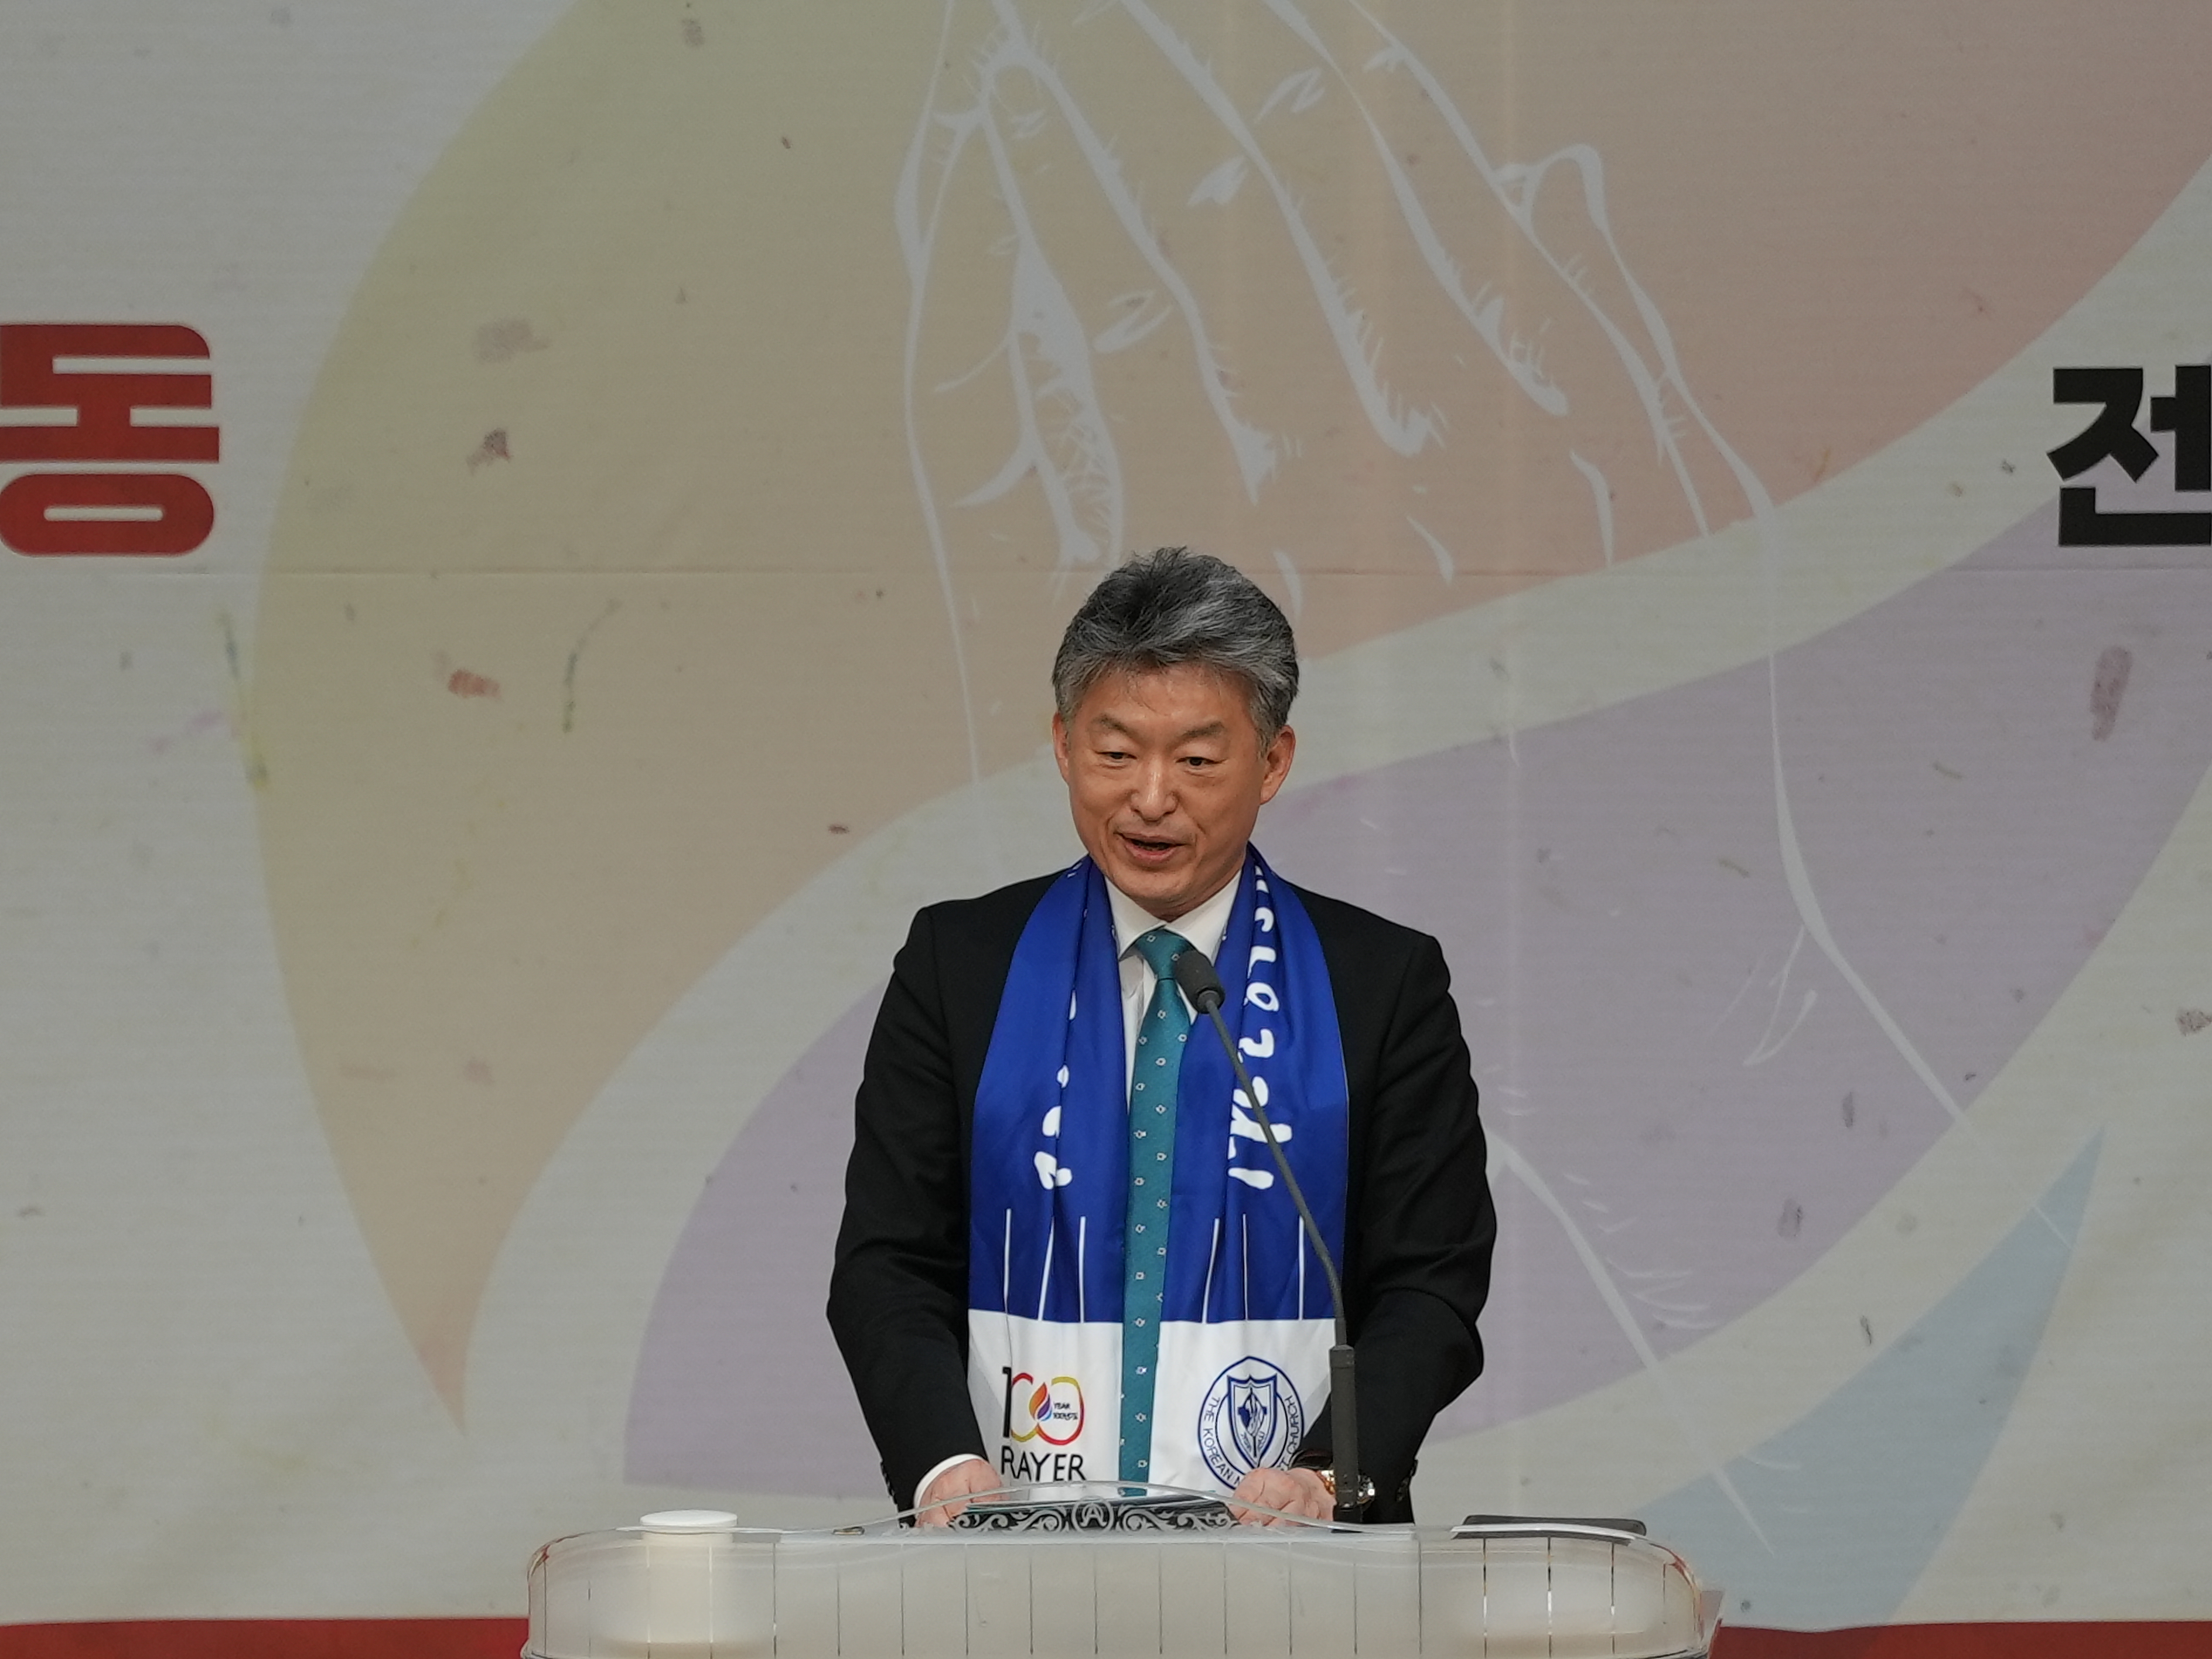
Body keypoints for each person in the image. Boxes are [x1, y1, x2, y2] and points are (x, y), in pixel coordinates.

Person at [828, 548, 1493, 1525]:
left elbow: (1432, 1285)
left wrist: (1327, 1478)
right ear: (1063, 746)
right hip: (1007, 1548)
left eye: (1197, 760)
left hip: (1296, 1555)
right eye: (1115, 754)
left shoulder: (1382, 983)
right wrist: (942, 1468)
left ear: (1273, 762)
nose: (1149, 797)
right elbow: (888, 1262)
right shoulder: (959, 966)